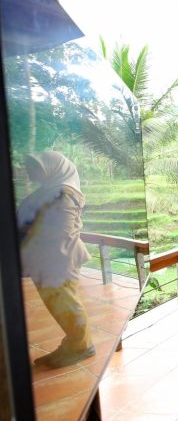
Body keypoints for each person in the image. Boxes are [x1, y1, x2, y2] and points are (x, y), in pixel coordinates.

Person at [18, 152, 94, 368]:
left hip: (59, 261)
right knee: (59, 305)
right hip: (47, 262)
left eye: (36, 167)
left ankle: (81, 346)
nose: (31, 171)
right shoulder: (50, 191)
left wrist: (26, 229)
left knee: (67, 305)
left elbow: (62, 229)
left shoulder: (65, 194)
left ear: (52, 168)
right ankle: (73, 344)